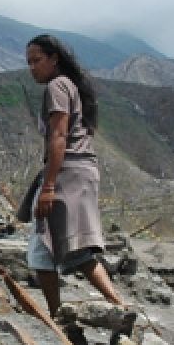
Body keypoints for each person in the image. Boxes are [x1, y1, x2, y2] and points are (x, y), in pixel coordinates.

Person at [24, 34, 129, 322]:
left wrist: (48, 186)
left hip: (65, 173)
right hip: (81, 172)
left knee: (41, 248)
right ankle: (117, 305)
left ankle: (57, 316)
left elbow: (59, 135)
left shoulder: (58, 87)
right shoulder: (71, 86)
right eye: (29, 62)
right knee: (76, 248)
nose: (32, 68)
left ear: (54, 58)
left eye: (37, 60)